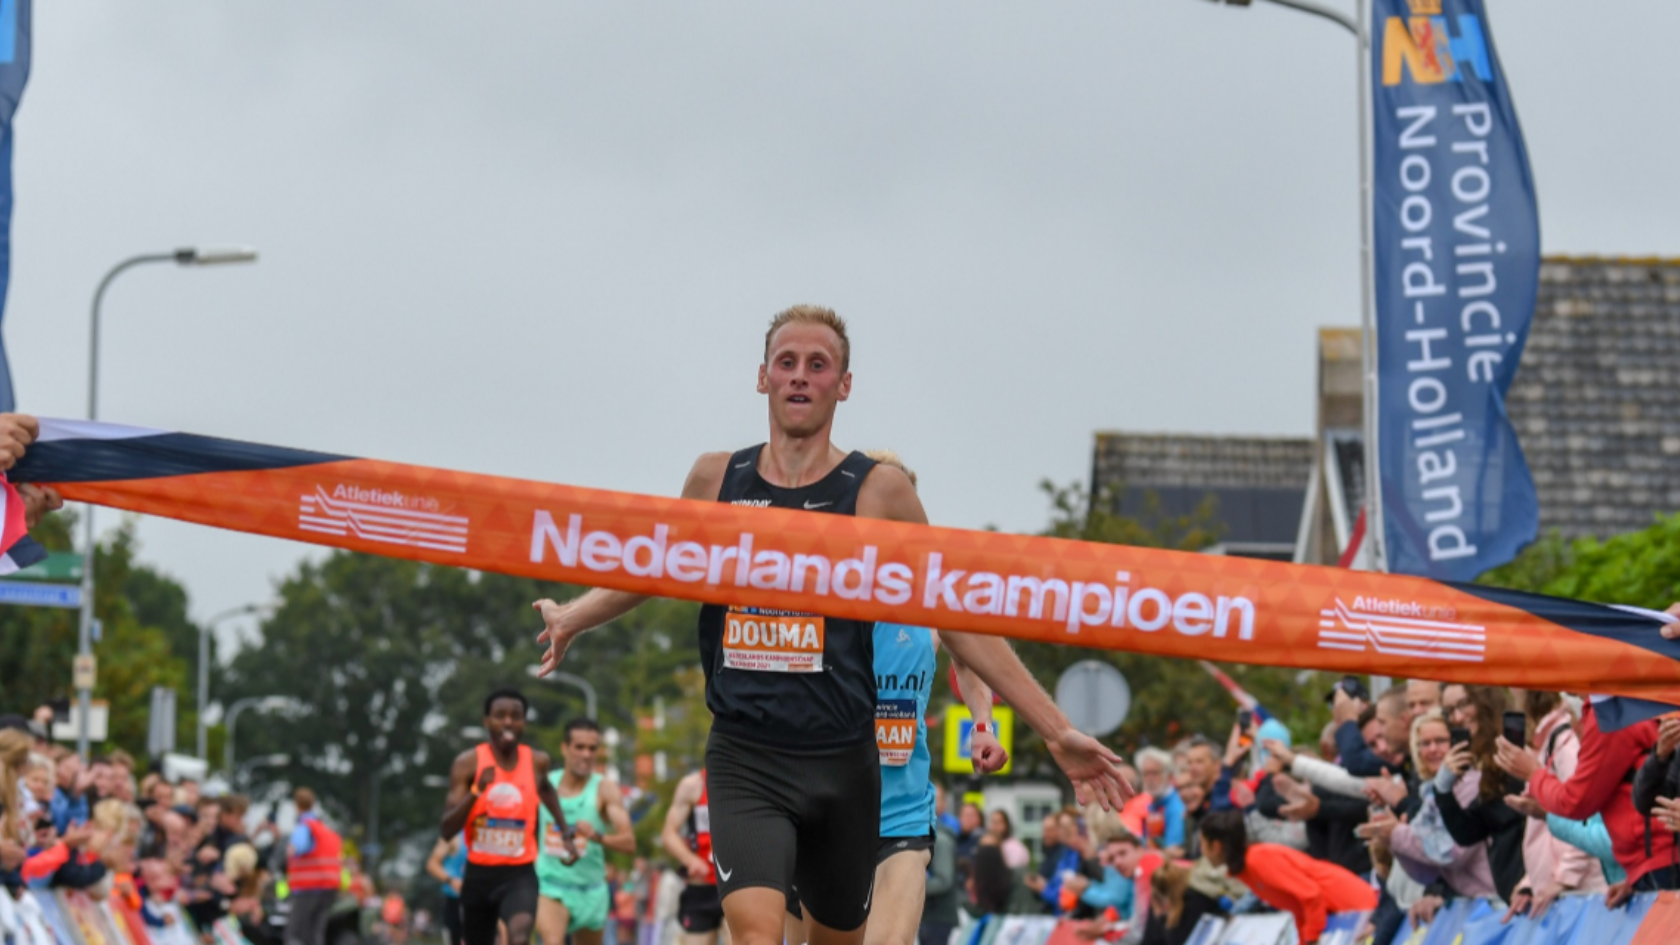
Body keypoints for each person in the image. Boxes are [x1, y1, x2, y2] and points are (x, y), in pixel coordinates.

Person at [531, 308, 1131, 945]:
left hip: (844, 763)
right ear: (762, 377)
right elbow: (654, 565)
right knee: (756, 936)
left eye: (817, 365)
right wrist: (573, 617)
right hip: (745, 753)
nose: (799, 376)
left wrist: (1055, 730)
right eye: (786, 362)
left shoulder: (879, 493)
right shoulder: (717, 480)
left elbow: (955, 615)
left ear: (843, 385)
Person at [1499, 692, 1677, 894]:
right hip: (1651, 862)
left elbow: (1576, 803)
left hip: (1658, 861)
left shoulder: (1610, 712)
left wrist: (1533, 775)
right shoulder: (1617, 706)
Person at [440, 690, 576, 945]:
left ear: (524, 722)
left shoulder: (537, 762)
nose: (508, 722)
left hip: (519, 874)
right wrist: (476, 791)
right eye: (500, 715)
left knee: (520, 935)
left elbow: (547, 791)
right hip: (478, 875)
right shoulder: (467, 764)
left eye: (516, 716)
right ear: (487, 721)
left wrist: (566, 831)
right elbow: (446, 829)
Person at [1496, 690, 1605, 922]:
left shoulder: (1563, 741)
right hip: (1555, 894)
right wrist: (1530, 882)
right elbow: (1543, 829)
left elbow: (1581, 813)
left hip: (1579, 894)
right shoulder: (1544, 742)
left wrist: (1565, 879)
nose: (1511, 690)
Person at [1199, 811, 1375, 945]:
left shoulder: (1258, 860)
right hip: (1344, 914)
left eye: (1202, 844)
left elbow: (1311, 895)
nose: (1201, 851)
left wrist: (1310, 939)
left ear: (1216, 846)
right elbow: (1298, 906)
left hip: (1354, 908)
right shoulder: (1247, 869)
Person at [537, 718, 636, 945]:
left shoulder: (605, 789)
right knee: (552, 941)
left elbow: (629, 843)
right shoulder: (545, 785)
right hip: (550, 885)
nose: (586, 754)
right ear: (564, 748)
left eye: (592, 748)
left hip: (591, 890)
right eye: (579, 747)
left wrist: (597, 836)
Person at [1433, 685, 1526, 901]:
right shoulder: (1486, 764)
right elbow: (1468, 833)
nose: (1457, 718)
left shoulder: (1515, 747)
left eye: (1464, 704)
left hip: (1536, 891)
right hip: (1514, 895)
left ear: (1485, 701)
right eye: (1449, 711)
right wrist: (1443, 789)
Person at [661, 768, 725, 945]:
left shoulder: (748, 780)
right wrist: (690, 860)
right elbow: (668, 834)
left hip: (738, 883)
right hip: (702, 885)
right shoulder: (693, 785)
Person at [286, 787, 345, 945]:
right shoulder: (326, 831)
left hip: (308, 888)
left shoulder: (305, 827)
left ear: (296, 805)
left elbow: (295, 848)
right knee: (314, 934)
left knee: (296, 934)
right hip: (329, 889)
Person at [1132, 749, 1184, 853]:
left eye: (1155, 773)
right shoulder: (1151, 804)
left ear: (1168, 776)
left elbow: (1173, 850)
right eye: (1145, 773)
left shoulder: (1176, 806)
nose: (1150, 778)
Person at [918, 816, 958, 945]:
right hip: (929, 916)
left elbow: (943, 881)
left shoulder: (940, 842)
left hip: (939, 917)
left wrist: (914, 888)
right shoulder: (928, 840)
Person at [426, 834, 469, 945]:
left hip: (480, 902)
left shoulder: (486, 832)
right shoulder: (454, 835)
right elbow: (432, 864)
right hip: (455, 901)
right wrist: (451, 880)